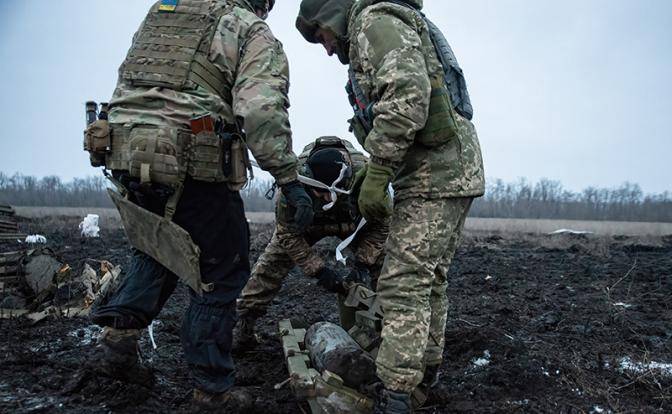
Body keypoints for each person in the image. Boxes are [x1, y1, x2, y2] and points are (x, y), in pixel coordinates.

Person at [83, 0, 314, 407]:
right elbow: (260, 110)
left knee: (156, 251)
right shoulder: (249, 28)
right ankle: (212, 391)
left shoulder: (165, 11)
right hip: (192, 162)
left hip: (124, 154)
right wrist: (288, 177)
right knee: (221, 272)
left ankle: (116, 348)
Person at [295, 1, 486, 412]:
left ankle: (395, 394)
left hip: (434, 175)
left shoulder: (373, 22)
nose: (328, 49)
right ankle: (423, 375)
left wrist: (379, 169)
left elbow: (408, 94)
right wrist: (373, 173)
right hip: (451, 170)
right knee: (429, 279)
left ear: (330, 16)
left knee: (402, 283)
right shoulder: (383, 21)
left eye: (323, 37)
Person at [236, 136, 389, 347]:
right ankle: (242, 327)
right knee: (270, 266)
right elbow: (287, 234)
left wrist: (363, 262)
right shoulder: (293, 186)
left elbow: (382, 226)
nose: (328, 199)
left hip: (355, 224)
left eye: (334, 193)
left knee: (388, 267)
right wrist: (318, 270)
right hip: (307, 223)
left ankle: (393, 330)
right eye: (322, 193)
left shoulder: (367, 180)